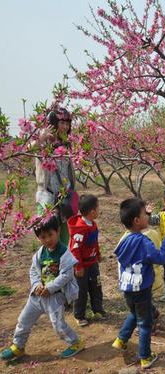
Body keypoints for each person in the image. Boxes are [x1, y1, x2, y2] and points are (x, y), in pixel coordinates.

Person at [1, 216, 83, 362]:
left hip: (55, 296)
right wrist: (36, 284)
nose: (47, 240)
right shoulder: (39, 253)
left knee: (58, 325)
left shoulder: (64, 252)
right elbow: (33, 271)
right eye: (43, 237)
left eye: (50, 235)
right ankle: (18, 346)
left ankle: (75, 343)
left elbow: (66, 275)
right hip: (37, 295)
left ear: (58, 231)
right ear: (38, 238)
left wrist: (49, 288)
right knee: (23, 320)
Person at [112, 198, 165, 369]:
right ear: (137, 221)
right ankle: (145, 357)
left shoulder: (125, 240)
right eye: (144, 214)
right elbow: (161, 258)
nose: (148, 216)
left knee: (134, 313)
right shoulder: (144, 241)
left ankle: (121, 339)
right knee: (145, 323)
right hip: (142, 289)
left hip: (127, 288)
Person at [34, 107, 77, 245]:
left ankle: (63, 266)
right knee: (48, 236)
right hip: (47, 196)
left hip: (64, 197)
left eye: (67, 123)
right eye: (61, 122)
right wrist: (41, 138)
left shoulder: (67, 144)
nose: (65, 126)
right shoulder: (44, 142)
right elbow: (27, 150)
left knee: (64, 238)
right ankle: (48, 265)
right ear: (53, 122)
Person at [68, 194, 106, 327]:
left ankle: (98, 309)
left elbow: (94, 242)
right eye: (98, 207)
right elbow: (75, 249)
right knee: (81, 291)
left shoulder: (93, 225)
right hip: (82, 265)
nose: (99, 210)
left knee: (96, 286)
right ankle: (79, 315)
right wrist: (78, 267)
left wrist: (98, 254)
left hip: (92, 262)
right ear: (92, 212)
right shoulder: (80, 229)